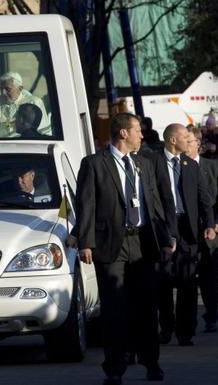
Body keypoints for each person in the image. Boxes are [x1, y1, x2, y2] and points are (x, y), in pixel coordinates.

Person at [68, 113, 172, 385]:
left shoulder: (144, 163)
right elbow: (86, 205)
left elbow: (154, 204)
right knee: (115, 308)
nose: (142, 135)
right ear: (123, 133)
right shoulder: (94, 164)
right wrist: (86, 242)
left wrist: (164, 238)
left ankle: (151, 362)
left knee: (147, 307)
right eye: (137, 130)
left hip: (142, 243)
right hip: (110, 243)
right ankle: (115, 367)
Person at [149, 123, 215, 346]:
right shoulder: (152, 162)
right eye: (186, 136)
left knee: (188, 283)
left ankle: (185, 331)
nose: (191, 140)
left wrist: (209, 223)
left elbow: (203, 197)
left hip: (188, 231)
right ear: (173, 140)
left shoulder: (190, 165)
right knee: (163, 284)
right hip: (162, 230)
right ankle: (166, 328)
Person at [186, 128, 218, 333]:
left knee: (209, 278)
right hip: (186, 232)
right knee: (185, 278)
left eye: (191, 141)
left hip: (210, 231)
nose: (187, 145)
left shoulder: (214, 166)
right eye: (184, 140)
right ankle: (187, 321)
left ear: (198, 144)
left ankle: (211, 316)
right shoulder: (175, 167)